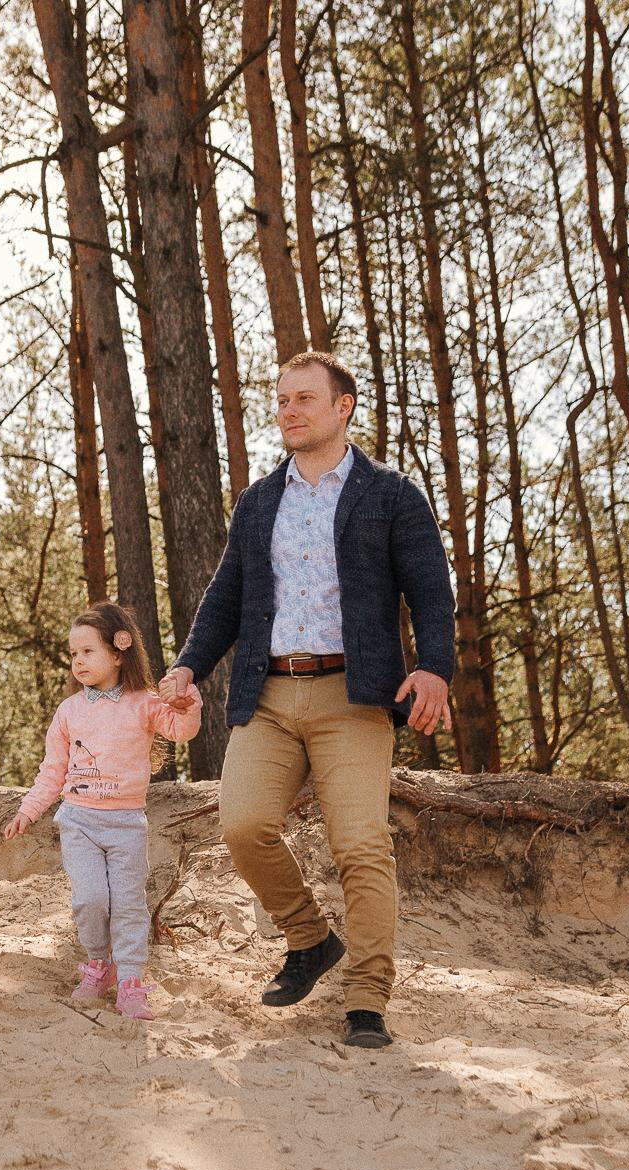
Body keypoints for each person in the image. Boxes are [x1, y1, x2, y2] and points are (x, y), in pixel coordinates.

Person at [159, 351, 456, 1050]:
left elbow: (430, 589)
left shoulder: (390, 494)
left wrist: (435, 668)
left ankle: (367, 998)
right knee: (243, 824)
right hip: (267, 695)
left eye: (303, 399)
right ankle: (309, 938)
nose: (288, 410)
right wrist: (187, 668)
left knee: (360, 844)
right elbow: (225, 597)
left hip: (354, 696)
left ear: (342, 407)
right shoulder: (260, 501)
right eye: (281, 399)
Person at [3, 602, 201, 1021]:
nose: (78, 661)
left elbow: (182, 730)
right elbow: (52, 772)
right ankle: (99, 963)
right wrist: (29, 810)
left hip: (127, 823)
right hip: (78, 821)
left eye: (88, 652)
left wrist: (187, 703)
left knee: (128, 903)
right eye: (73, 654)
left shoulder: (144, 703)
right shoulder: (69, 711)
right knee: (91, 899)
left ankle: (130, 981)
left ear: (118, 652)